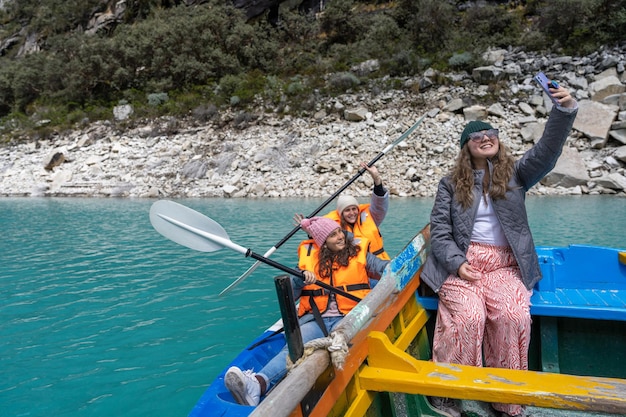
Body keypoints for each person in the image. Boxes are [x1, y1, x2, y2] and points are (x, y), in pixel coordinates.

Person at [421, 84, 578, 417]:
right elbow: (441, 233)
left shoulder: (516, 175)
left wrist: (563, 111)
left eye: (491, 132)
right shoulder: (450, 184)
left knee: (513, 315)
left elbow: (548, 151)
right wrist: (459, 264)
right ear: (467, 147)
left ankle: (505, 398)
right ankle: (448, 391)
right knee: (469, 316)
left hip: (506, 265)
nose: (486, 137)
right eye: (477, 136)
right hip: (461, 264)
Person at [224, 216, 389, 407]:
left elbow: (382, 267)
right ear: (323, 243)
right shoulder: (308, 259)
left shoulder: (359, 253)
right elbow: (292, 295)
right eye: (333, 235)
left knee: (341, 341)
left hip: (350, 316)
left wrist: (392, 268)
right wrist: (300, 280)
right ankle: (258, 384)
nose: (340, 237)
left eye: (339, 232)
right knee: (295, 346)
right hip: (317, 319)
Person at [298, 162, 390, 260]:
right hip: (358, 266)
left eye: (354, 209)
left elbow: (380, 204)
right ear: (341, 213)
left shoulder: (370, 216)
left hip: (380, 261)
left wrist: (376, 179)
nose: (352, 213)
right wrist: (310, 231)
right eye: (347, 210)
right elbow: (321, 234)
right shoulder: (333, 227)